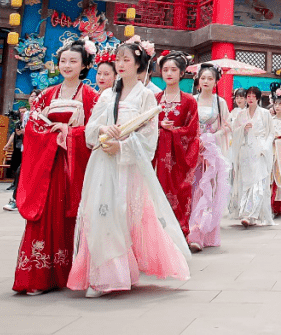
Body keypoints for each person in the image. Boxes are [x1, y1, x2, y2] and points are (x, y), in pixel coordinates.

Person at [67, 40, 190, 297]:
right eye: (118, 60)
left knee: (123, 215)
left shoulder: (146, 96)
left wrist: (122, 147)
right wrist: (102, 130)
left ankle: (120, 272)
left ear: (138, 64)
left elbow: (149, 138)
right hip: (103, 162)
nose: (120, 65)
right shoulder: (107, 95)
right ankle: (102, 276)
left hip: (127, 165)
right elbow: (90, 129)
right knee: (101, 214)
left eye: (126, 60)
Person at [13, 38, 99, 295]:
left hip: (73, 167)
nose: (67, 65)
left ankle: (65, 272)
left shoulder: (91, 96)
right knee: (42, 216)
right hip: (48, 165)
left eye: (73, 61)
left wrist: (71, 133)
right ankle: (37, 276)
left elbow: (95, 131)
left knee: (68, 218)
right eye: (63, 61)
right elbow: (33, 126)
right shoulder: (47, 95)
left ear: (84, 65)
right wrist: (54, 135)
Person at [152, 52, 199, 239]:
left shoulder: (189, 101)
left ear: (181, 73)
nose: (168, 73)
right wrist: (158, 126)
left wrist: (172, 132)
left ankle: (180, 234)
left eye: (173, 69)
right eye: (165, 70)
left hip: (178, 157)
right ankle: (158, 236)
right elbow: (144, 124)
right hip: (156, 156)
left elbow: (192, 131)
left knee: (180, 193)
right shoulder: (154, 98)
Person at [189, 63, 230, 252]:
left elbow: (226, 126)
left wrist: (213, 137)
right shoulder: (191, 99)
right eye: (203, 78)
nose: (206, 81)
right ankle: (192, 230)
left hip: (212, 150)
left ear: (215, 82)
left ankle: (202, 233)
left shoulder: (220, 103)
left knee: (208, 191)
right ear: (198, 79)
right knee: (193, 189)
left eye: (210, 78)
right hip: (193, 150)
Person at [228, 87, 274, 227]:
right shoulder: (241, 114)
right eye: (249, 95)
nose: (250, 98)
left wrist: (265, 148)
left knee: (258, 182)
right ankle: (248, 213)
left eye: (254, 95)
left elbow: (271, 133)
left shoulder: (265, 114)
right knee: (246, 182)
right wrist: (243, 129)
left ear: (258, 98)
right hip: (246, 149)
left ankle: (251, 214)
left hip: (260, 150)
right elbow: (234, 132)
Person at [2, 100, 29, 212]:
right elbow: (16, 133)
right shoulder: (19, 123)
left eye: (23, 112)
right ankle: (16, 198)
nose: (21, 114)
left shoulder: (35, 117)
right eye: (20, 112)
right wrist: (7, 145)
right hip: (20, 148)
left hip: (31, 149)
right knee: (18, 169)